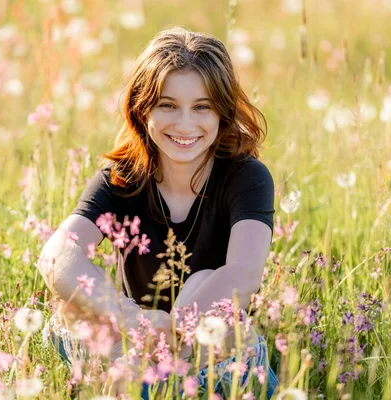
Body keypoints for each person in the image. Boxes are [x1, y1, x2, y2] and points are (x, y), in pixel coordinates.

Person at [38, 26, 278, 398]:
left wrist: (172, 330)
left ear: (223, 113)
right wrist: (136, 322)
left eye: (202, 107)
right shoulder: (123, 177)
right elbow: (57, 257)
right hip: (137, 343)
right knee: (71, 310)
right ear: (142, 108)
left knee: (207, 285)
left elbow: (243, 275)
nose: (185, 125)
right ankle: (148, 383)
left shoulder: (246, 176)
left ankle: (151, 384)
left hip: (219, 357)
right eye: (168, 105)